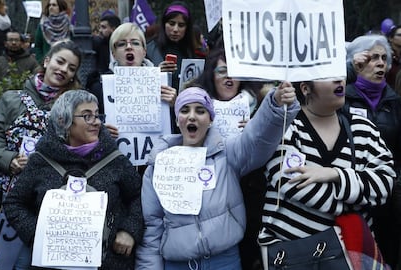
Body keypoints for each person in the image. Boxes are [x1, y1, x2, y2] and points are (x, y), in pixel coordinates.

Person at [135, 85, 299, 269]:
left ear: (211, 119)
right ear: (177, 118)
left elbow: (257, 139)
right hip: (177, 264)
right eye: (184, 110)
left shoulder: (227, 153)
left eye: (200, 110)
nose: (192, 116)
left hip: (225, 262)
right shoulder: (158, 164)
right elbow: (152, 228)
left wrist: (274, 104)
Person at [258, 79, 395, 268]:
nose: (339, 79)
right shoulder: (285, 127)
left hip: (353, 257)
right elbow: (292, 184)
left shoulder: (364, 128)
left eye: (339, 72)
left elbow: (384, 184)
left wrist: (335, 174)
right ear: (305, 88)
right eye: (327, 76)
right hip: (294, 256)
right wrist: (355, 200)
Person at [3, 89, 144, 269]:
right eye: (87, 116)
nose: (97, 122)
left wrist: (129, 230)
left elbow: (138, 196)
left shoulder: (114, 159)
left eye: (97, 115)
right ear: (64, 121)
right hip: (52, 264)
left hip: (109, 263)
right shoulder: (41, 161)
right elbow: (14, 203)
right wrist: (37, 235)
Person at [193, 47, 265, 270]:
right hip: (211, 195)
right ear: (211, 76)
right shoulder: (196, 108)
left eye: (234, 71)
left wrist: (257, 129)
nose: (228, 77)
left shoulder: (260, 107)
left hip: (249, 191)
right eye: (222, 71)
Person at [0, 40, 82, 200]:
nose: (64, 69)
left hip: (54, 195)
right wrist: (9, 160)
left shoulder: (75, 108)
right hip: (13, 193)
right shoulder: (11, 99)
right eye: (60, 61)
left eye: (71, 68)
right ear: (46, 61)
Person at [343, 34, 401, 269]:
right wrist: (348, 69)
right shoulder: (340, 97)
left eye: (384, 58)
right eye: (373, 57)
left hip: (389, 198)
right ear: (357, 62)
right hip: (352, 195)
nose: (380, 63)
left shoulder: (395, 102)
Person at [87, 22, 177, 131]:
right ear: (114, 54)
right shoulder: (99, 86)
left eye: (135, 43)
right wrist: (101, 131)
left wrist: (174, 106)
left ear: (144, 51)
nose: (129, 47)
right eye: (121, 44)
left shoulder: (162, 82)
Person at [145, 1, 196, 91]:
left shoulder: (192, 51)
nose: (175, 29)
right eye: (171, 24)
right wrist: (156, 72)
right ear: (164, 24)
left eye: (181, 25)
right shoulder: (149, 48)